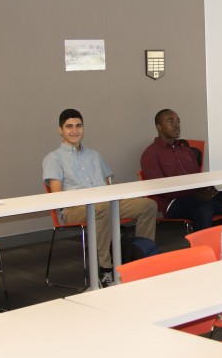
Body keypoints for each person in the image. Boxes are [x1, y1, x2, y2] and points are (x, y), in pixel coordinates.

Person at [43, 109, 158, 288]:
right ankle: (105, 268)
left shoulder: (94, 155)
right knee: (103, 208)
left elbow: (108, 186)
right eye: (69, 127)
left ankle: (139, 257)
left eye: (78, 126)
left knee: (148, 205)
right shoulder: (53, 158)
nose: (75, 131)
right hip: (74, 209)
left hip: (105, 203)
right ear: (60, 130)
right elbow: (58, 196)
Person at [140, 109, 222, 231]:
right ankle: (201, 248)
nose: (176, 125)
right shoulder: (150, 154)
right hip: (172, 202)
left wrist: (208, 189)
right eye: (170, 121)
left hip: (195, 197)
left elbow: (197, 177)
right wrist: (195, 195)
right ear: (159, 127)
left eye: (178, 121)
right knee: (203, 209)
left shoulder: (186, 151)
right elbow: (159, 187)